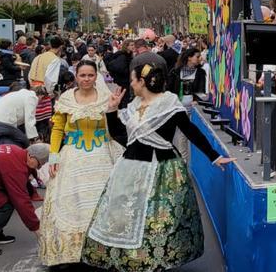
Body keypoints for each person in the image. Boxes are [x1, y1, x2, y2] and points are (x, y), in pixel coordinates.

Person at [81, 65, 235, 271]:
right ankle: (129, 259)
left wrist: (214, 156)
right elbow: (120, 136)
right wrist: (112, 110)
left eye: (133, 80)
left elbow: (190, 131)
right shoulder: (134, 105)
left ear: (142, 82)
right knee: (124, 215)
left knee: (157, 220)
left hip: (163, 169)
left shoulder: (169, 103)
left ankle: (154, 261)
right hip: (129, 168)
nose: (131, 84)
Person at [38, 60, 119, 266]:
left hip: (102, 155)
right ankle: (72, 253)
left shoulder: (106, 97)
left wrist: (113, 110)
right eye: (82, 75)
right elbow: (57, 129)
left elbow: (117, 128)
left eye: (90, 75)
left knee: (101, 203)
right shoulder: (66, 98)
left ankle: (102, 250)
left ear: (96, 76)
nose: (86, 79)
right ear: (76, 76)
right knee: (72, 202)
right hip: (72, 156)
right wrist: (53, 157)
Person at [0, 143, 49, 258]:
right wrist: (37, 228)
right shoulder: (15, 167)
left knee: (7, 201)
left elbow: (29, 171)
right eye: (39, 164)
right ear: (31, 156)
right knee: (6, 205)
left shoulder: (17, 151)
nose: (39, 168)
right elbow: (21, 201)